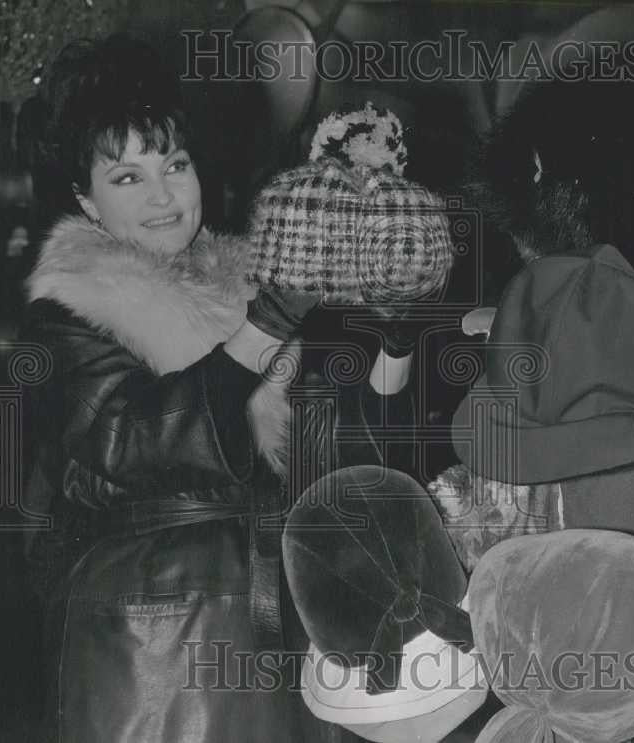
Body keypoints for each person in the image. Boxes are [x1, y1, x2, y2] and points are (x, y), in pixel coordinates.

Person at [21, 33, 421, 742]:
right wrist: (266, 325)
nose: (164, 193)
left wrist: (392, 337)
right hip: (158, 638)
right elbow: (140, 436)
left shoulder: (242, 281)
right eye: (127, 177)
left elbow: (332, 449)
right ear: (84, 199)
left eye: (174, 163)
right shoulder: (67, 313)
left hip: (279, 613)